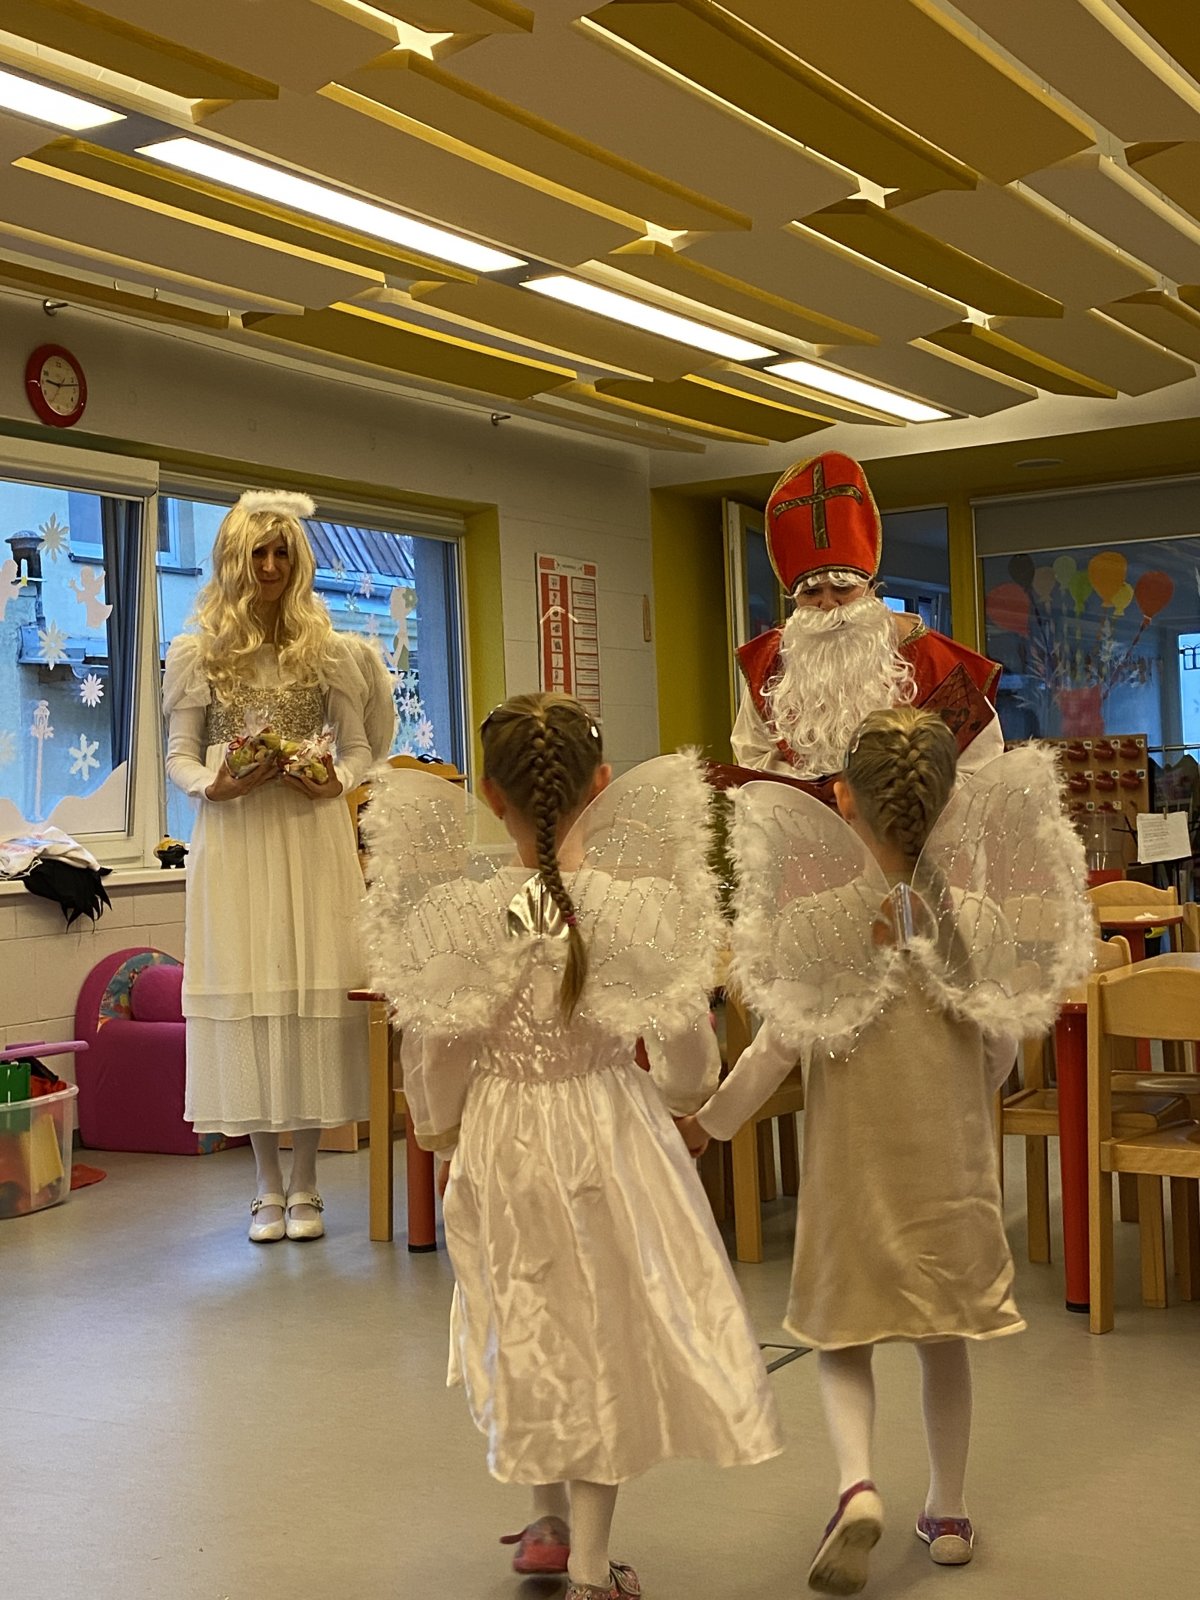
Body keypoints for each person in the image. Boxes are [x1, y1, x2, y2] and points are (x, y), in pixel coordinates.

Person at [361, 693, 782, 1600]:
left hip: (504, 1133)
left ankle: (549, 1521)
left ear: (491, 796)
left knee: (529, 1316)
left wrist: (440, 1127)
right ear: (602, 785)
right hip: (606, 1129)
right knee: (604, 1333)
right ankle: (588, 1560)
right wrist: (681, 1103)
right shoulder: (632, 910)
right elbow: (685, 1045)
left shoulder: (476, 913)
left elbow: (435, 1045)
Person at [683, 708, 1090, 1595]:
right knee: (944, 1340)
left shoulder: (817, 921)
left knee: (844, 1338)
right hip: (950, 1166)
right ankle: (948, 1511)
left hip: (850, 1170)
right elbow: (1000, 1050)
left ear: (841, 800)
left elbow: (776, 1046)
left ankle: (857, 1484)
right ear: (950, 806)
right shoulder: (974, 918)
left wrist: (710, 1123)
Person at [163, 489, 386, 1242]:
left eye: (281, 552)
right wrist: (214, 786)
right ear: (234, 558)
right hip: (235, 839)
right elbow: (179, 756)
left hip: (308, 835)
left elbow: (359, 749)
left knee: (305, 993)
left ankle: (309, 1182)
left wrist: (336, 782)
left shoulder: (330, 650)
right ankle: (264, 1185)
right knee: (252, 991)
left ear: (298, 561)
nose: (269, 565)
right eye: (257, 552)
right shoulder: (198, 651)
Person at [732, 452, 1003, 788]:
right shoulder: (769, 665)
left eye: (842, 588)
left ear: (871, 587)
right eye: (811, 592)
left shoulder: (941, 666)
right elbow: (752, 758)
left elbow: (980, 771)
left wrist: (904, 794)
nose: (828, 605)